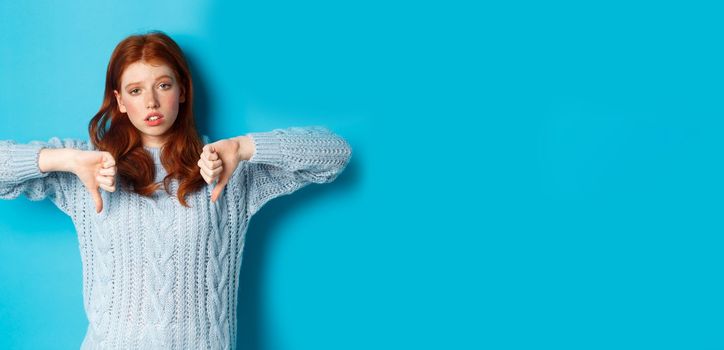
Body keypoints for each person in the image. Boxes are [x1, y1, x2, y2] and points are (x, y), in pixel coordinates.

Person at [0, 31, 351, 350]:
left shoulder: (222, 165)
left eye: (163, 85)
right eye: (136, 90)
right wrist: (64, 159)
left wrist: (244, 148)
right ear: (120, 101)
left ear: (182, 90)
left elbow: (336, 153)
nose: (151, 102)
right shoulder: (89, 165)